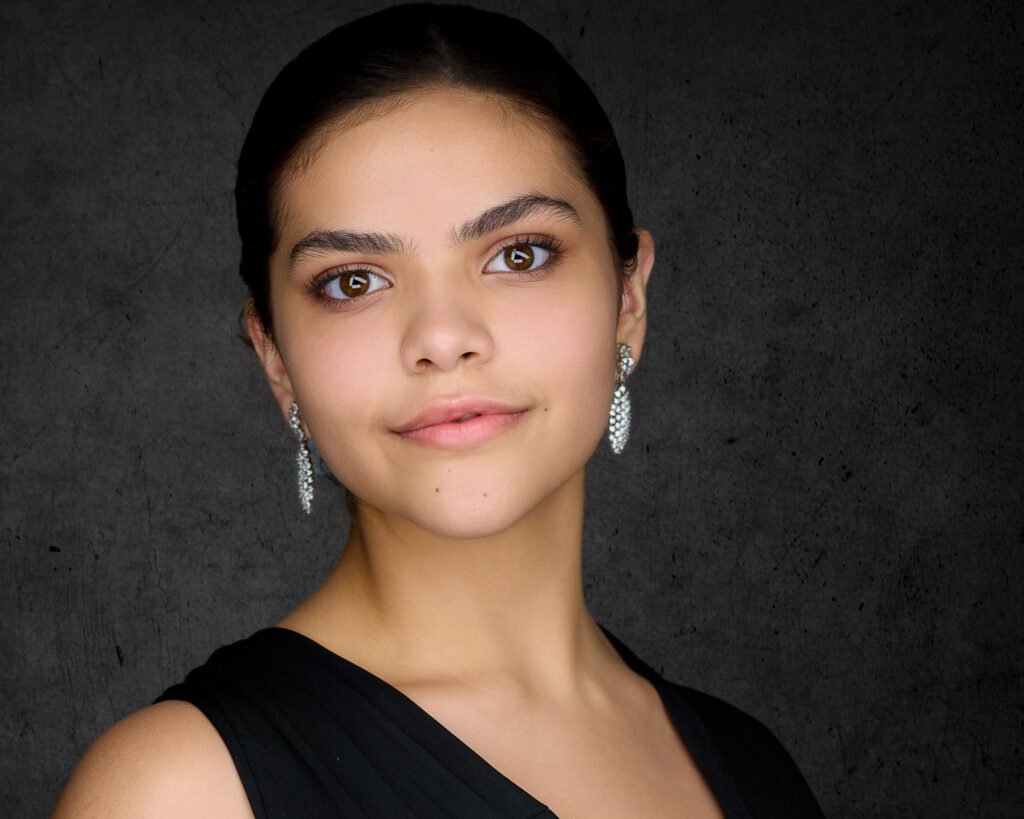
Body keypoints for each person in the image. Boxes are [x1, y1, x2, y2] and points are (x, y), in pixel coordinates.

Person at [53, 4, 824, 817]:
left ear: (628, 296)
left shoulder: (753, 764)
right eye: (354, 280)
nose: (443, 337)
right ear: (275, 355)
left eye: (517, 254)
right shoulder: (177, 789)